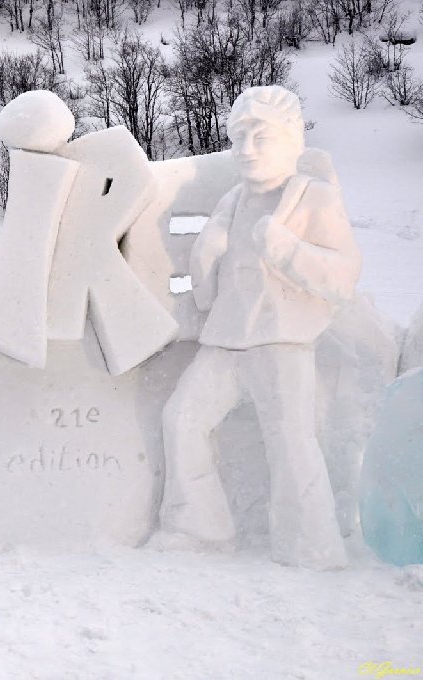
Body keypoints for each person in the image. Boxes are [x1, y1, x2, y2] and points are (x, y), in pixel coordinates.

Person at [152, 86, 361, 569]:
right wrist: (208, 256)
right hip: (226, 339)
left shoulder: (315, 197)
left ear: (291, 141)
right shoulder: (234, 198)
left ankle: (310, 544)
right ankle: (198, 525)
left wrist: (283, 246)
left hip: (282, 342)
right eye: (238, 136)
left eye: (259, 137)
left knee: (291, 439)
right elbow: (210, 269)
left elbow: (343, 276)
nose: (245, 149)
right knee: (182, 418)